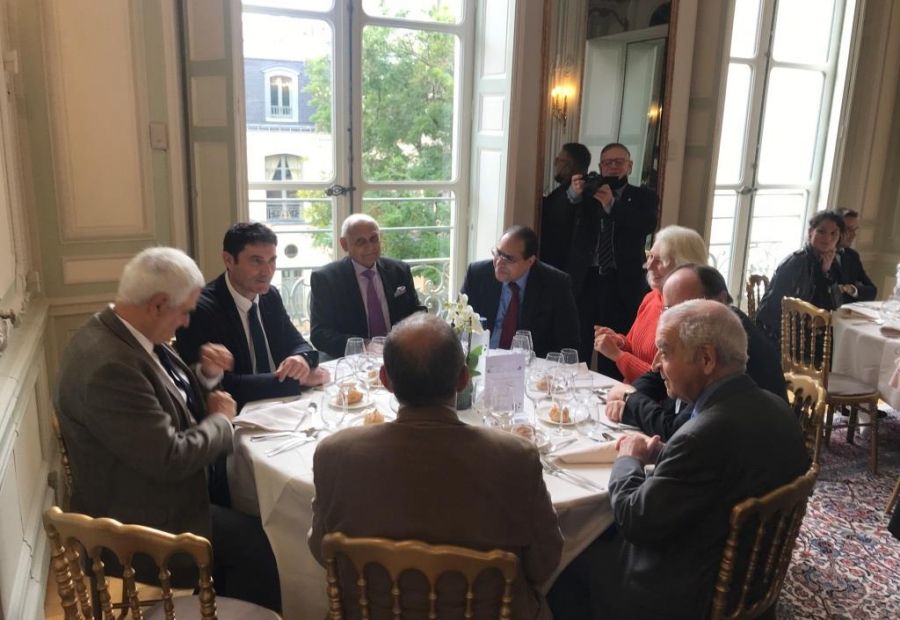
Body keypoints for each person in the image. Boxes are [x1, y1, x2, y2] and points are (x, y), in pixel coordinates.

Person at [550, 300, 809, 619]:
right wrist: (662, 453)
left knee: (561, 557)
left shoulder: (702, 435)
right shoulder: (778, 408)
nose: (656, 364)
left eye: (665, 352)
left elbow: (634, 520)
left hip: (683, 594)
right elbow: (723, 470)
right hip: (751, 579)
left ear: (706, 359)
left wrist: (629, 460)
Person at [55, 247, 281, 611]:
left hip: (151, 487)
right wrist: (222, 421)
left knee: (251, 502)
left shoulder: (123, 330)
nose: (187, 322)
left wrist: (206, 375)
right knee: (261, 543)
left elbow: (161, 395)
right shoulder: (109, 367)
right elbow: (170, 458)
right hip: (140, 521)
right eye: (185, 311)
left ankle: (220, 604)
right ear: (158, 304)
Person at [308, 313, 563, 619]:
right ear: (464, 379)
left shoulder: (334, 455)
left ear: (385, 380)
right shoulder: (515, 458)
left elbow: (321, 552)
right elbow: (545, 563)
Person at [605, 264, 787, 440]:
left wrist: (631, 400)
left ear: (719, 301)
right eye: (668, 309)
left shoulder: (731, 344)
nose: (673, 317)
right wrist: (630, 395)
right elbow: (658, 375)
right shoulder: (699, 331)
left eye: (685, 306)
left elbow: (677, 430)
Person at [175, 222, 326, 411]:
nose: (267, 271)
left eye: (272, 261)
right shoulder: (201, 308)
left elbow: (298, 343)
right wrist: (296, 381)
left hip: (281, 406)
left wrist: (300, 359)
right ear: (228, 260)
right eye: (256, 261)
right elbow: (222, 385)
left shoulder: (270, 295)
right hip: (235, 415)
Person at [567, 143, 659, 363]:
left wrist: (611, 204)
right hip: (586, 280)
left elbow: (646, 224)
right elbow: (561, 222)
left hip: (622, 282)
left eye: (619, 162)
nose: (613, 167)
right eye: (608, 163)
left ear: (630, 166)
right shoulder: (588, 194)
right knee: (579, 344)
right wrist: (572, 195)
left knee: (615, 347)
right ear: (600, 167)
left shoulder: (643, 196)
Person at [592, 225, 707, 382]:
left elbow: (663, 381)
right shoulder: (652, 297)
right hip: (632, 391)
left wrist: (618, 355)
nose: (649, 266)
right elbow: (632, 345)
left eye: (660, 261)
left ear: (684, 267)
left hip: (650, 396)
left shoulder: (688, 314)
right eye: (650, 256)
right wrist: (619, 341)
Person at [310, 213, 422, 359]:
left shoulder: (400, 271)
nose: (370, 247)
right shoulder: (326, 279)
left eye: (374, 239)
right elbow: (320, 334)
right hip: (353, 359)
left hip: (399, 354)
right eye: (361, 241)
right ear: (344, 244)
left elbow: (416, 312)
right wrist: (364, 345)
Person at [461, 225, 580, 358]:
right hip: (482, 359)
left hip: (529, 364)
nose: (499, 262)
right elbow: (458, 326)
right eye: (498, 253)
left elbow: (568, 343)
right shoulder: (477, 274)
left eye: (508, 259)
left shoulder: (555, 284)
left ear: (530, 261)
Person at [756, 211, 850, 342]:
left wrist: (825, 273)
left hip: (813, 332)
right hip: (785, 336)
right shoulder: (796, 262)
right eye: (821, 232)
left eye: (833, 233)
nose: (827, 238)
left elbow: (836, 305)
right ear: (811, 232)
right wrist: (807, 322)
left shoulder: (833, 263)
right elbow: (776, 306)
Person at [539, 142, 592, 271]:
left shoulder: (578, 192)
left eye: (558, 160)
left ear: (569, 165)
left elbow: (557, 215)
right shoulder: (563, 190)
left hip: (562, 265)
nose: (555, 164)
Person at [835, 207, 877, 302]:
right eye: (848, 229)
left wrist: (853, 290)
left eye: (855, 230)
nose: (853, 235)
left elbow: (872, 290)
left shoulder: (852, 255)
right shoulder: (819, 255)